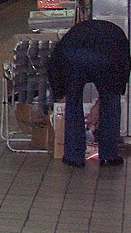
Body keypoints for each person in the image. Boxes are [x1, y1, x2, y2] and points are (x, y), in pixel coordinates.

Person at [47, 19, 130, 167]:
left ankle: (73, 157)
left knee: (72, 102)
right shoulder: (117, 37)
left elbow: (53, 66)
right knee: (111, 102)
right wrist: (102, 103)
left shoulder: (70, 37)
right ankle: (108, 156)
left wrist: (62, 95)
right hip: (107, 57)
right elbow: (121, 73)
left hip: (72, 56)